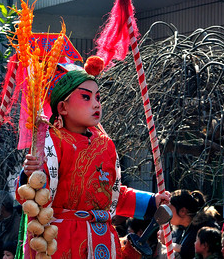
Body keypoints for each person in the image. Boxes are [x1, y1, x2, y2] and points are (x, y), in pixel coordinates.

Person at [17, 61, 170, 258]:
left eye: (97, 97)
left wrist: (151, 202)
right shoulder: (51, 142)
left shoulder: (106, 144)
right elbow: (31, 197)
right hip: (62, 240)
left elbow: (113, 195)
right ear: (63, 107)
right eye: (86, 97)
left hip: (103, 238)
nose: (96, 104)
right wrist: (29, 174)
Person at [158, 190, 220, 259]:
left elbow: (197, 253)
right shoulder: (181, 229)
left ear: (183, 211)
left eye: (169, 210)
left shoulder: (207, 227)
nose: (167, 214)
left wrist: (170, 244)